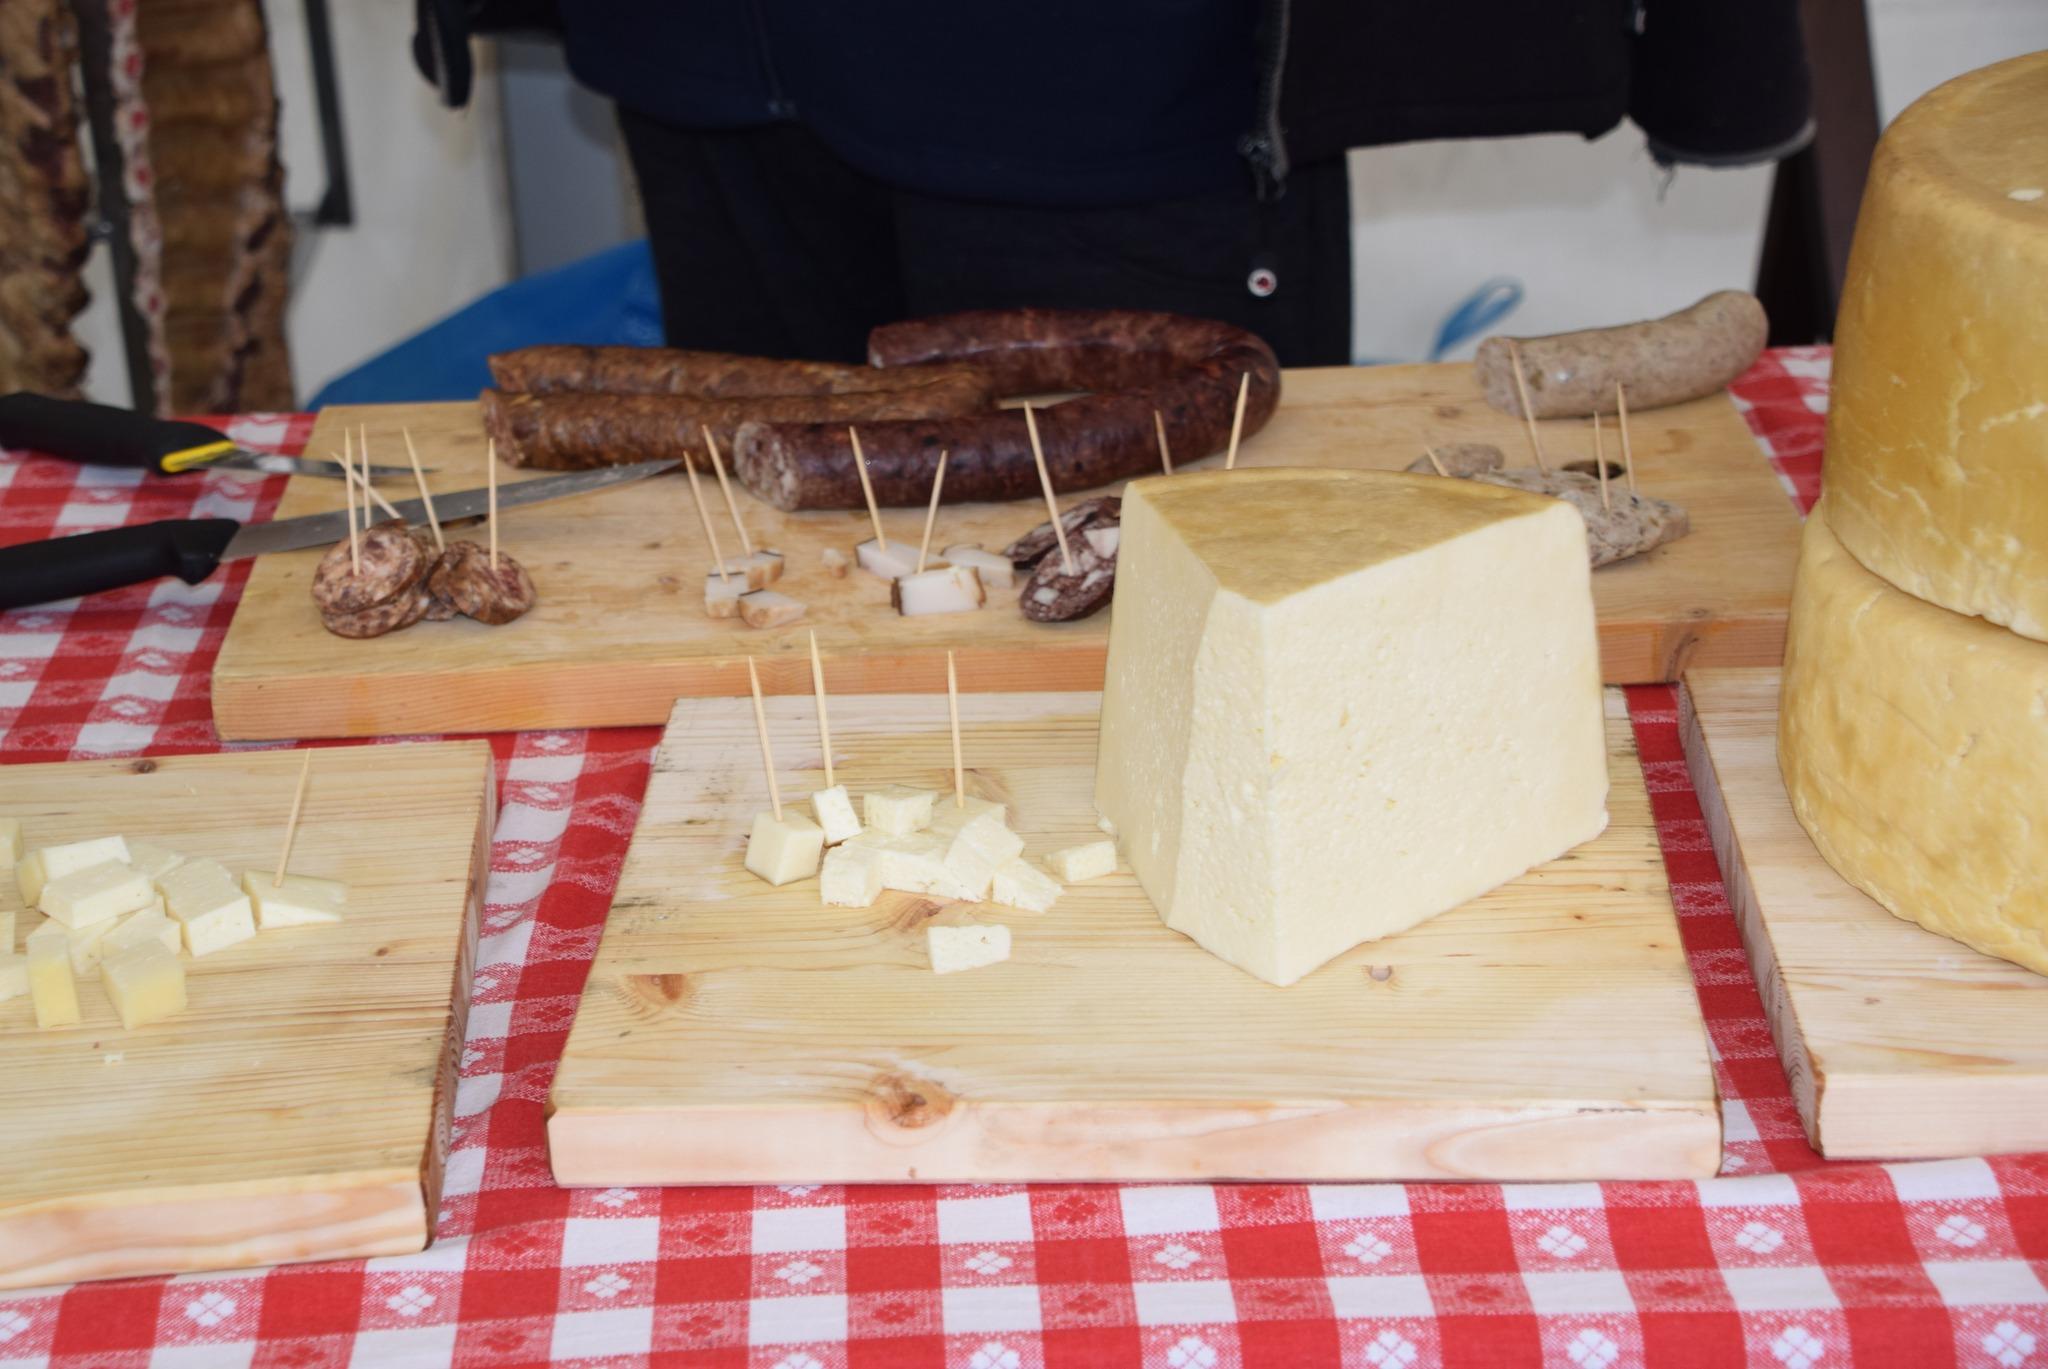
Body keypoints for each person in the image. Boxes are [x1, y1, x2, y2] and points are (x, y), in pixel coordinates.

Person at [412, 3, 1813, 368]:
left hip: (1107, 81)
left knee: (1174, 656)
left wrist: (1720, 57)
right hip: (708, 58)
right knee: (778, 627)